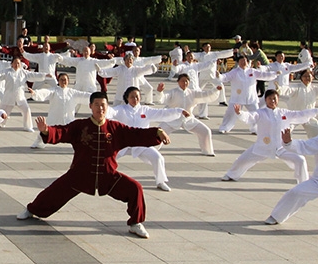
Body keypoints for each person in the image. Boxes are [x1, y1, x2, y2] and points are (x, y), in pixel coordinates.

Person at [16, 92, 170, 239]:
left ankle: (136, 223)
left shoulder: (115, 128)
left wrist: (157, 132)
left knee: (135, 188)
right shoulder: (80, 126)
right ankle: (32, 210)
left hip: (107, 175)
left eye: (103, 105)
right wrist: (47, 131)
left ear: (107, 107)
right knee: (53, 192)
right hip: (80, 174)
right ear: (90, 106)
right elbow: (62, 132)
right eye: (96, 105)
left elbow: (136, 134)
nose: (100, 108)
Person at [221, 90, 318, 183]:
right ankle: (231, 175)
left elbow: (299, 114)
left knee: (300, 160)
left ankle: (303, 182)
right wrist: (240, 113)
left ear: (278, 100)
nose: (272, 101)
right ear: (266, 100)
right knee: (243, 159)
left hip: (282, 147)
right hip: (263, 146)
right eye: (270, 98)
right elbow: (250, 116)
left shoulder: (284, 113)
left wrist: (316, 111)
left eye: (274, 98)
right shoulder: (261, 113)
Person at [110, 87, 189, 191]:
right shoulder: (121, 109)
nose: (135, 99)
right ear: (127, 98)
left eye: (137, 96)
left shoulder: (145, 110)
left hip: (141, 144)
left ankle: (160, 182)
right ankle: (100, 178)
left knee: (158, 158)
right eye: (132, 97)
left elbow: (162, 113)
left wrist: (180, 111)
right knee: (107, 158)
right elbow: (110, 112)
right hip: (123, 143)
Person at [156, 74, 220, 156]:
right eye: (182, 80)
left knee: (205, 131)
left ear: (189, 82)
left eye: (186, 81)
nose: (184, 82)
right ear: (178, 82)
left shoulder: (192, 93)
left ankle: (207, 151)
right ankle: (151, 150)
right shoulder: (173, 92)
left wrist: (215, 90)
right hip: (171, 119)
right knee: (159, 133)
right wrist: (160, 92)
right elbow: (163, 98)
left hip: (188, 119)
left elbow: (205, 94)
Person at [27, 73, 92, 149]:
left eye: (65, 80)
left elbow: (84, 95)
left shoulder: (73, 92)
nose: (63, 81)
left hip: (68, 118)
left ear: (68, 81)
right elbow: (46, 92)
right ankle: (38, 144)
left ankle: (81, 145)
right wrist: (36, 93)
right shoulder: (54, 91)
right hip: (54, 117)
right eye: (61, 79)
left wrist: (95, 96)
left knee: (76, 132)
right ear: (58, 81)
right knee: (45, 130)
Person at [218, 55, 278, 134]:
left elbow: (263, 75)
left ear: (247, 62)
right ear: (238, 63)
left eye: (245, 61)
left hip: (251, 98)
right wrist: (219, 76)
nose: (243, 62)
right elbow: (225, 77)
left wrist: (274, 74)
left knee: (257, 114)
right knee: (230, 113)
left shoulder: (252, 71)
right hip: (237, 98)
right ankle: (224, 127)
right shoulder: (234, 72)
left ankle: (256, 129)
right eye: (241, 61)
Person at [0, 57, 48, 132]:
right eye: (15, 62)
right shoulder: (7, 72)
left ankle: (28, 126)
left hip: (20, 97)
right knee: (3, 110)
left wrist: (44, 75)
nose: (17, 64)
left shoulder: (23, 72)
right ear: (11, 64)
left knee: (27, 110)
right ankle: (0, 123)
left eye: (18, 63)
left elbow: (33, 75)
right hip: (8, 96)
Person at [193, 43, 233, 108]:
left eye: (209, 46)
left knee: (220, 86)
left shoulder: (214, 54)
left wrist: (232, 51)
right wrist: (187, 52)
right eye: (206, 47)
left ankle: (222, 100)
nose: (208, 48)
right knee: (197, 88)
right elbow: (193, 55)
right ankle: (193, 99)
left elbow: (223, 53)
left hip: (213, 75)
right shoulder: (200, 55)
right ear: (203, 48)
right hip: (203, 75)